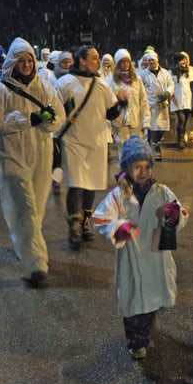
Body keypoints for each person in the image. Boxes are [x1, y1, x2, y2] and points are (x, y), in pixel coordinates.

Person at [92, 136, 188, 360]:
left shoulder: (162, 192)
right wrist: (117, 227)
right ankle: (136, 340)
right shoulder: (118, 196)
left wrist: (175, 218)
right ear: (127, 167)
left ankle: (144, 329)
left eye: (147, 166)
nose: (143, 171)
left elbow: (181, 212)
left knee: (152, 302)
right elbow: (99, 219)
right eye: (137, 166)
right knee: (134, 302)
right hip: (132, 257)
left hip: (156, 257)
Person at [0, 37, 65, 289]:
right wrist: (26, 119)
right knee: (27, 209)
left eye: (29, 60)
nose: (26, 65)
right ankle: (35, 265)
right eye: (21, 61)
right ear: (12, 63)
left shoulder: (45, 87)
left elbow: (58, 117)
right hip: (12, 159)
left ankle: (24, 245)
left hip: (41, 157)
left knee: (35, 212)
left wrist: (48, 120)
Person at [54, 45, 121, 251]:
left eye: (98, 57)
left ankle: (85, 222)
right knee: (76, 183)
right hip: (73, 141)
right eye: (94, 58)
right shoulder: (65, 83)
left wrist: (121, 103)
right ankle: (74, 225)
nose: (97, 61)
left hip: (97, 142)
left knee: (91, 183)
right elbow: (55, 112)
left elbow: (112, 113)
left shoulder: (101, 85)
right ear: (82, 60)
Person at [107, 48, 150, 145]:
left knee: (136, 149)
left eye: (127, 61)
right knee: (123, 148)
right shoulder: (111, 80)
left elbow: (143, 100)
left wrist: (146, 121)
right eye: (122, 62)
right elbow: (108, 102)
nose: (125, 64)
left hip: (135, 121)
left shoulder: (136, 79)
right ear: (118, 64)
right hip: (120, 122)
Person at [140, 49, 174, 160]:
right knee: (153, 127)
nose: (151, 62)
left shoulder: (165, 73)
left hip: (163, 104)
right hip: (150, 105)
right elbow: (140, 88)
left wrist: (167, 93)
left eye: (153, 60)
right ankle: (155, 148)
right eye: (149, 61)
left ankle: (155, 142)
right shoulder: (144, 74)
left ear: (157, 60)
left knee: (162, 128)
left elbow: (171, 85)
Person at [170, 51, 193, 149]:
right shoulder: (171, 73)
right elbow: (169, 86)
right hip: (176, 100)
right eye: (182, 61)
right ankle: (180, 140)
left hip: (187, 100)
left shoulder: (189, 72)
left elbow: (192, 86)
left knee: (185, 120)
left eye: (185, 61)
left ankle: (182, 137)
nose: (184, 63)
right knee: (181, 119)